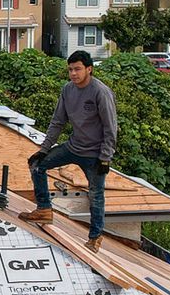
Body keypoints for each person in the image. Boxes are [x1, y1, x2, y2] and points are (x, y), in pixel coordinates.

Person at [20, 49, 116, 248]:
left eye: (78, 69)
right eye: (70, 69)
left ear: (89, 69)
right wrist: (44, 150)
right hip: (73, 146)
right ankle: (44, 209)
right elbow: (57, 122)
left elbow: (110, 127)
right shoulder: (68, 90)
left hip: (94, 154)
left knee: (96, 193)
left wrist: (105, 158)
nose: (73, 73)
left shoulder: (100, 92)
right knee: (37, 166)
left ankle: (95, 237)